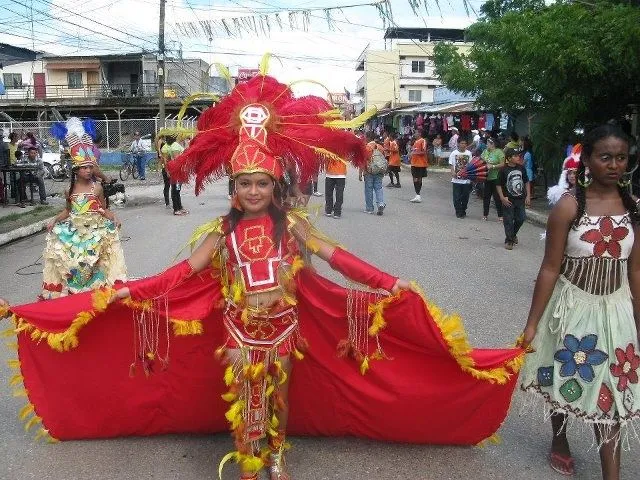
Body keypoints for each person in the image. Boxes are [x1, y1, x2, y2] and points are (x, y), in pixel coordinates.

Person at [0, 71, 527, 480]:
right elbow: (181, 275)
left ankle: (276, 454)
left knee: (279, 394)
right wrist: (122, 294)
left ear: (275, 187)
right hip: (236, 328)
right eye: (244, 183)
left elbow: (336, 258)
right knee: (244, 394)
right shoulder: (219, 233)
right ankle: (250, 456)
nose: (253, 191)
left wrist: (388, 285)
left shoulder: (293, 227)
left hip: (283, 327)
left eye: (261, 183)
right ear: (233, 188)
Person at [519, 125, 639, 478]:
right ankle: (559, 438)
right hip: (570, 308)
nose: (614, 165)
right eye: (605, 157)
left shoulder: (634, 209)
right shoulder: (569, 207)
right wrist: (531, 324)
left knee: (613, 393)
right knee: (565, 371)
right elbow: (550, 268)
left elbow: (635, 273)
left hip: (616, 311)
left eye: (621, 158)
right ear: (587, 159)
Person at [41, 126, 126, 299]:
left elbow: (103, 209)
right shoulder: (69, 190)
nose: (89, 170)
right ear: (75, 170)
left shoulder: (98, 188)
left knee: (95, 266)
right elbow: (67, 210)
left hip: (95, 233)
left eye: (90, 167)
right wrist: (55, 220)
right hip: (75, 235)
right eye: (84, 167)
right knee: (73, 266)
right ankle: (76, 299)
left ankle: (94, 298)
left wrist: (114, 218)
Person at [498, 147, 531, 250]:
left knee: (521, 218)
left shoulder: (521, 168)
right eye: (515, 156)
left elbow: (526, 182)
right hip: (508, 199)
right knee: (508, 220)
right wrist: (502, 198)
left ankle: (512, 235)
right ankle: (509, 240)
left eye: (518, 155)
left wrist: (528, 196)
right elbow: (498, 184)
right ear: (509, 158)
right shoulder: (503, 169)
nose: (518, 157)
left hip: (520, 198)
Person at [161, 136, 188, 216]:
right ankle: (176, 209)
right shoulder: (174, 146)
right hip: (176, 171)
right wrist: (167, 171)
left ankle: (179, 207)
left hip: (176, 170)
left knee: (177, 189)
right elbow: (175, 159)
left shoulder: (173, 145)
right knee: (175, 189)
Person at [360, 134, 386, 215]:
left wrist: (360, 173)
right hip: (379, 171)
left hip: (369, 171)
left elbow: (363, 161)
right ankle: (380, 203)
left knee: (369, 189)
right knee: (378, 188)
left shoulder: (366, 148)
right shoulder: (380, 147)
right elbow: (384, 159)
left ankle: (369, 208)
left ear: (368, 138)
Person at [481, 138, 505, 221]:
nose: (486, 145)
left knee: (497, 197)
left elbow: (503, 164)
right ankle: (485, 215)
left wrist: (493, 166)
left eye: (488, 143)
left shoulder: (499, 152)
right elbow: (480, 161)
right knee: (486, 197)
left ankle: (500, 216)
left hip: (496, 177)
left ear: (492, 144)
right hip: (486, 177)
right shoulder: (485, 151)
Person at [449, 138, 473, 218]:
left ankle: (463, 210)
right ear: (458, 144)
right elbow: (451, 164)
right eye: (462, 143)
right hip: (456, 179)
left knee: (465, 197)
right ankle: (458, 211)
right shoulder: (454, 153)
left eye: (465, 143)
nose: (463, 145)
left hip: (466, 179)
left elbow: (471, 165)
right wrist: (452, 172)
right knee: (457, 197)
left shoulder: (469, 153)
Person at [409, 130, 428, 203]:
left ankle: (418, 195)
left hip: (420, 163)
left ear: (419, 133)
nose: (414, 134)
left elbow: (423, 151)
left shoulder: (422, 141)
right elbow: (414, 151)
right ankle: (417, 195)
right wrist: (411, 154)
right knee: (414, 178)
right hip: (414, 163)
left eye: (416, 133)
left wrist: (414, 153)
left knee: (419, 179)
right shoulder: (415, 142)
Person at [156, 134, 171, 209]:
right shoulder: (162, 144)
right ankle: (167, 202)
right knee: (168, 185)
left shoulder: (171, 146)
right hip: (167, 168)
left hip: (168, 168)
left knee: (170, 186)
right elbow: (159, 149)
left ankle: (170, 202)